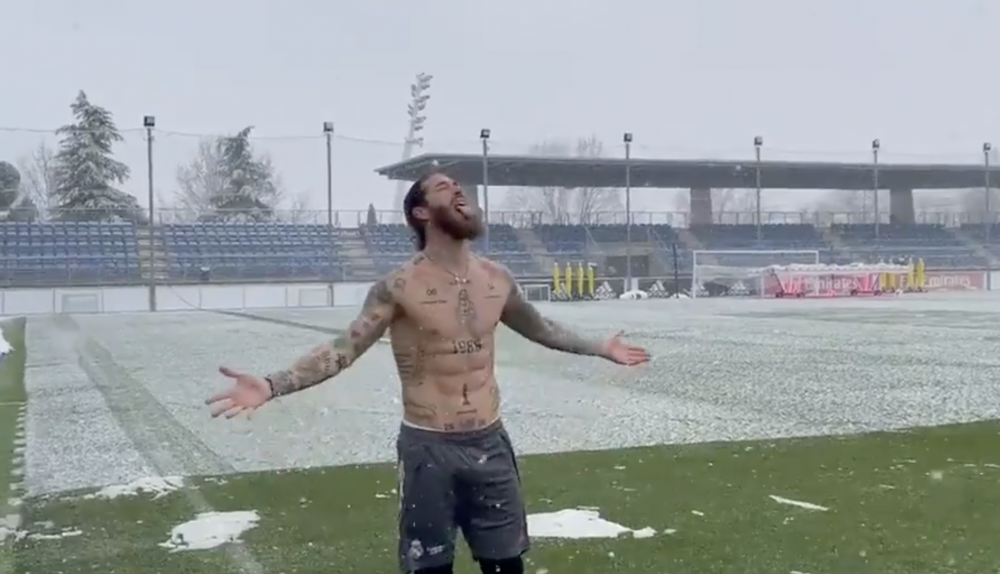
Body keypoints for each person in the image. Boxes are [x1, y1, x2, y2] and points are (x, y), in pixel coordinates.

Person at [206, 172, 650, 574]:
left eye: (459, 187)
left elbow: (542, 328)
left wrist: (600, 347)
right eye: (444, 188)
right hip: (428, 451)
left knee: (506, 566)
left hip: (491, 446)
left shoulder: (497, 278)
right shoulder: (399, 286)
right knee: (430, 568)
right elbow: (346, 347)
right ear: (420, 212)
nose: (458, 191)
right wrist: (273, 384)